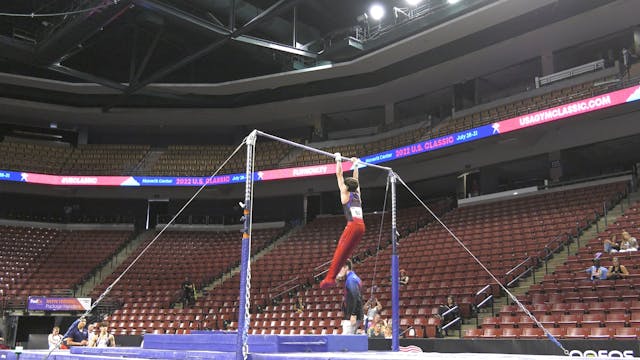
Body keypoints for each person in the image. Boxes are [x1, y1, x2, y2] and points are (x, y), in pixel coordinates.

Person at [320, 154, 366, 289]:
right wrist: (356, 164)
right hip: (361, 226)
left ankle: (330, 279)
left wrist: (338, 159)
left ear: (346, 187)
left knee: (340, 251)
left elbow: (339, 174)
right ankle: (331, 278)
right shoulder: (357, 194)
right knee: (345, 252)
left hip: (353, 226)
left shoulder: (345, 194)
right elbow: (356, 179)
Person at [338, 259, 363, 334]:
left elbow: (356, 297)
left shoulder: (351, 279)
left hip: (352, 316)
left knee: (345, 342)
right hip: (352, 315)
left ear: (346, 267)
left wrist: (353, 314)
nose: (339, 271)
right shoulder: (352, 278)